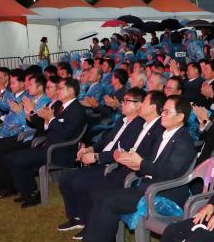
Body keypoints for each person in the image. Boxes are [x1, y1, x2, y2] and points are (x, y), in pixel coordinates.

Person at [69, 96, 196, 242]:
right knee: (101, 196)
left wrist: (140, 164)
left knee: (108, 202)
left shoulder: (183, 141)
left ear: (180, 117)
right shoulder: (165, 135)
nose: (162, 114)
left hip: (163, 195)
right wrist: (134, 162)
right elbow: (152, 164)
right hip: (147, 187)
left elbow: (170, 173)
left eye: (167, 111)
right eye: (163, 110)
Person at [57, 87, 157, 233]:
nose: (122, 104)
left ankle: (89, 223)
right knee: (66, 178)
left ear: (139, 105)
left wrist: (97, 157)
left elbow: (123, 152)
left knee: (82, 184)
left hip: (112, 164)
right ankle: (76, 217)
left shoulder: (139, 126)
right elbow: (105, 140)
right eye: (123, 101)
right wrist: (91, 149)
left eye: (127, 101)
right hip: (102, 159)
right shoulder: (121, 121)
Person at [2, 77, 86, 207]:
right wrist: (40, 116)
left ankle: (32, 194)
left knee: (18, 160)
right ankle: (29, 191)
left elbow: (66, 134)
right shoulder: (61, 107)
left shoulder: (77, 109)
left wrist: (51, 119)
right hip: (47, 146)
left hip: (61, 151)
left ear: (70, 91)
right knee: (11, 157)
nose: (57, 91)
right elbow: (45, 126)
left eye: (60, 88)